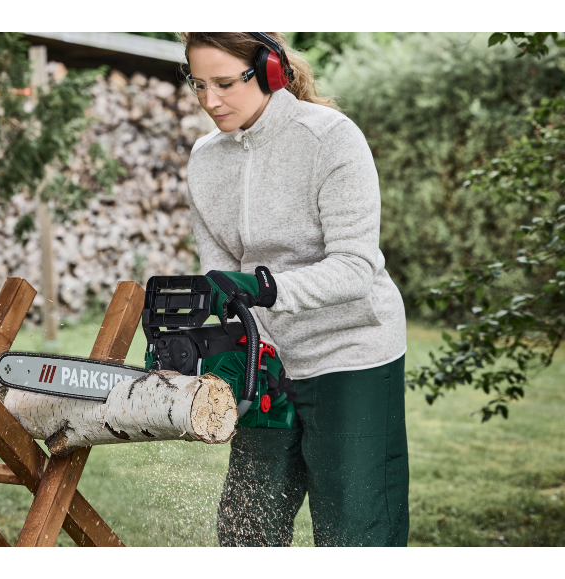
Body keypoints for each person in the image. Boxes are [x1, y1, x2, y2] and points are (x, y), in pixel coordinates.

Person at [180, 32, 409, 547]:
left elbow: (354, 267)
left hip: (351, 350)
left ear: (269, 70)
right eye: (198, 84)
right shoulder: (205, 159)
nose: (209, 101)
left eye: (224, 83)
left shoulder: (330, 138)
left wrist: (262, 287)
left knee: (355, 524)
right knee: (247, 527)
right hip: (269, 358)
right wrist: (231, 329)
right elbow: (221, 273)